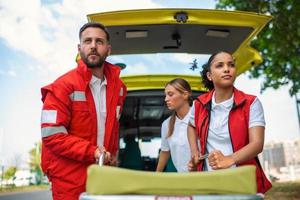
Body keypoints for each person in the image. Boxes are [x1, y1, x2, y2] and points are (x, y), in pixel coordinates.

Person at [40, 22, 127, 200]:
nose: (93, 46)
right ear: (80, 48)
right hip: (69, 177)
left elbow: (113, 129)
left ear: (108, 49)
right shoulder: (62, 86)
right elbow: (52, 136)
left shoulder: (119, 88)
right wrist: (93, 151)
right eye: (88, 41)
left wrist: (112, 156)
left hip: (104, 175)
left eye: (99, 41)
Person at [187, 51, 272, 193]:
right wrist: (195, 151)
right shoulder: (199, 104)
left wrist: (229, 159)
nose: (227, 69)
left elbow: (257, 144)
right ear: (209, 75)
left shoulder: (251, 103)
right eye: (219, 66)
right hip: (209, 183)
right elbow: (191, 126)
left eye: (231, 65)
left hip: (243, 182)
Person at [156, 78, 192, 172]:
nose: (166, 99)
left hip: (205, 176)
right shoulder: (166, 124)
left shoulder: (200, 117)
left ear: (185, 95)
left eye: (170, 94)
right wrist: (156, 175)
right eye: (166, 95)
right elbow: (165, 151)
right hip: (182, 178)